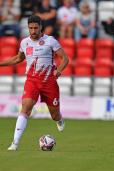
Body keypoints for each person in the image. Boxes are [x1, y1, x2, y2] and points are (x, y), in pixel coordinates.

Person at [0, 15, 69, 151]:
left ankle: (59, 119)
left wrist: (59, 70)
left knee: (54, 115)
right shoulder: (24, 42)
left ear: (41, 27)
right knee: (25, 108)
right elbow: (18, 59)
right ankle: (15, 143)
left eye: (35, 28)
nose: (33, 31)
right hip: (32, 81)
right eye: (30, 28)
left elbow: (65, 58)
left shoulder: (50, 41)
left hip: (49, 82)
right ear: (28, 28)